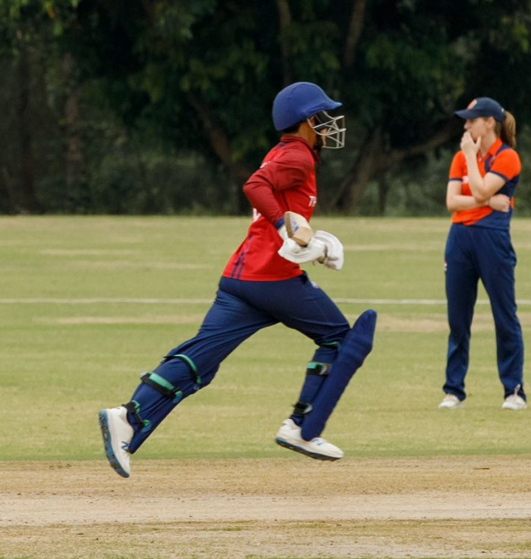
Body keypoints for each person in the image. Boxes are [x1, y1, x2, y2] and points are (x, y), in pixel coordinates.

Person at [97, 82, 376, 478]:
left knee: (200, 360)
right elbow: (255, 187)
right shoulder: (298, 155)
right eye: (320, 117)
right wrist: (284, 227)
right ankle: (302, 427)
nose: (327, 124)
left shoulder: (282, 152)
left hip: (242, 278)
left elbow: (281, 211)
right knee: (338, 338)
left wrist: (313, 244)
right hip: (273, 278)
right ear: (305, 121)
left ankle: (127, 416)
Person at [439, 97, 527, 411]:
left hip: (493, 240)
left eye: (471, 120)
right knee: (458, 319)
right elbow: (452, 202)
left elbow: (477, 189)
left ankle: (513, 391)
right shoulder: (461, 157)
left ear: (489, 122)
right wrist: (489, 202)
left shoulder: (507, 157)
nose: (466, 126)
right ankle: (453, 390)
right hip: (459, 239)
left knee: (505, 316)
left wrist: (470, 159)